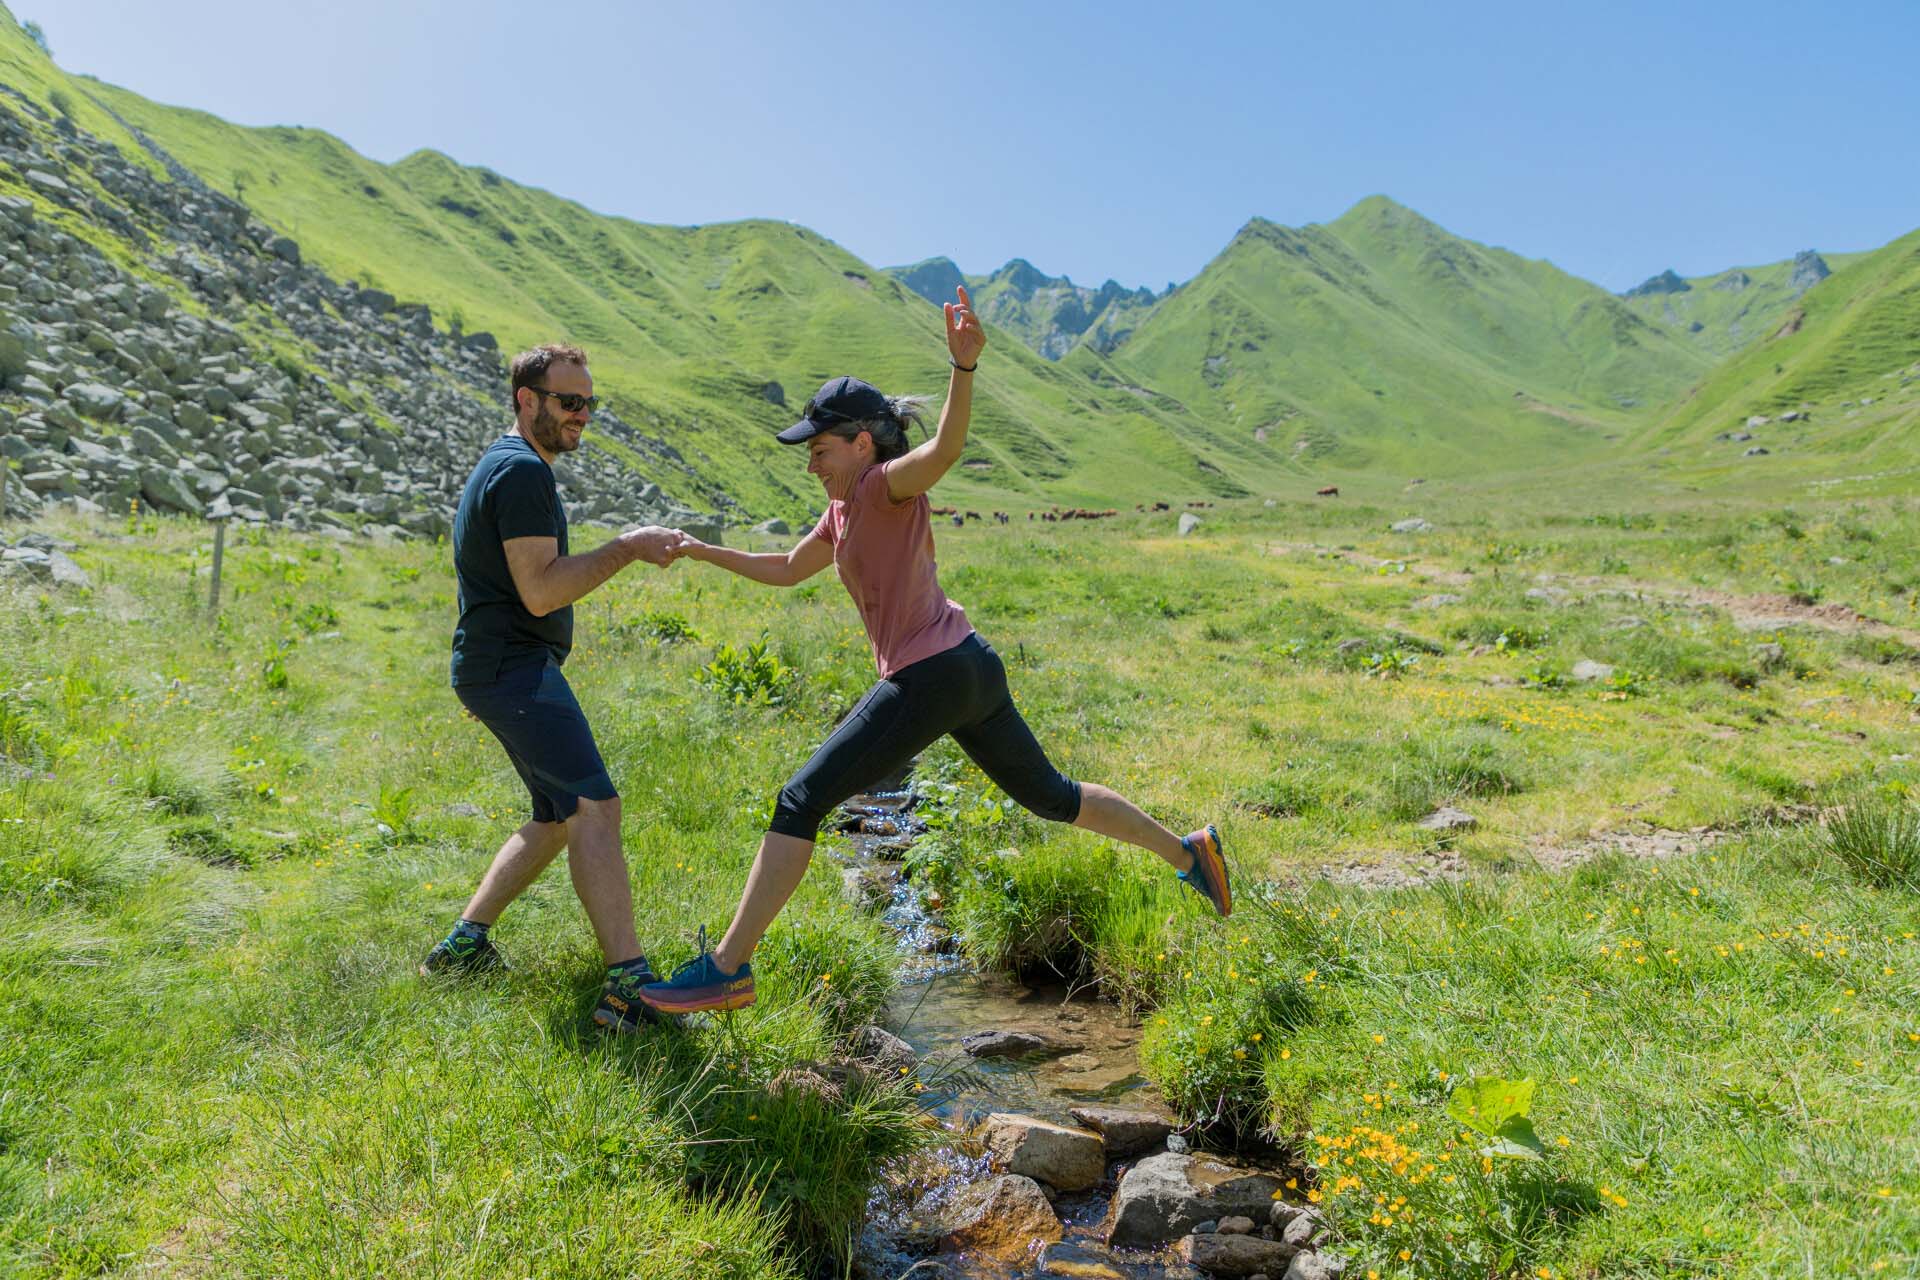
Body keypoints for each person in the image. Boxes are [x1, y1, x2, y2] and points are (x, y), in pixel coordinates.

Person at [637, 288, 1228, 1016]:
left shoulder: (886, 484)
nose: (812, 463)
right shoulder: (842, 510)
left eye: (820, 450)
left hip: (934, 674)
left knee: (800, 799)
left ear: (860, 442)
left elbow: (944, 448)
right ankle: (1189, 852)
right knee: (1052, 796)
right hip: (969, 665)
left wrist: (963, 369)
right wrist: (698, 550)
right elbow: (787, 570)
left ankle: (727, 969)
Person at [421, 342, 683, 1034]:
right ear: (526, 399)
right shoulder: (521, 473)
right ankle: (630, 989)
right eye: (569, 402)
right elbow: (539, 593)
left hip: (497, 668)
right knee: (596, 808)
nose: (582, 415)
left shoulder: (510, 466)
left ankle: (462, 948)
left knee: (554, 817)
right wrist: (627, 547)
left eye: (589, 403)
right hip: (513, 667)